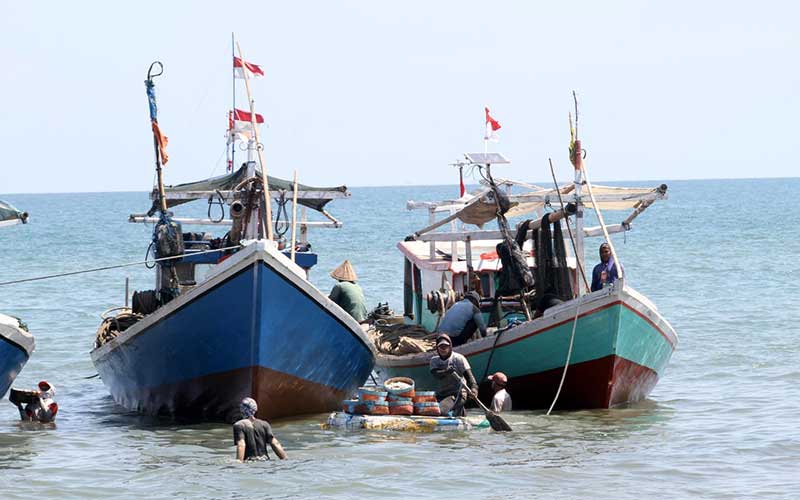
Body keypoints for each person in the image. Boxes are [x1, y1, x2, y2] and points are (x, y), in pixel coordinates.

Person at [429, 334, 478, 417]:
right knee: (430, 410)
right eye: (441, 347)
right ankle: (461, 412)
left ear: (450, 346)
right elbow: (436, 374)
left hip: (458, 393)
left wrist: (474, 388)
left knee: (443, 412)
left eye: (446, 346)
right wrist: (446, 371)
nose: (443, 349)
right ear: (437, 348)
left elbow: (470, 377)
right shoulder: (434, 361)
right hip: (442, 394)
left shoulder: (458, 359)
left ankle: (457, 411)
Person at [233, 398, 287, 462]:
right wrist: (285, 459)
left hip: (250, 462)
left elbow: (241, 444)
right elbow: (275, 443)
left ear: (241, 410)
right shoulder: (264, 424)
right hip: (265, 460)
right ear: (255, 409)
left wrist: (239, 463)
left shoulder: (239, 425)